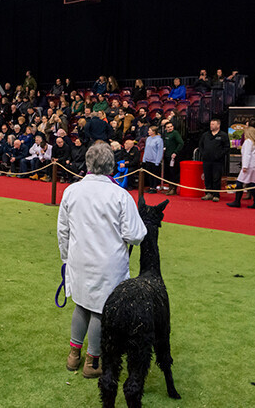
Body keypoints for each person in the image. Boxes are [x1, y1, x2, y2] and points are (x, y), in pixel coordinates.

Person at [57, 142, 147, 378]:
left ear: (88, 163)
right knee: (100, 310)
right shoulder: (120, 195)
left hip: (78, 258)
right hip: (107, 262)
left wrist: (66, 258)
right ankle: (92, 362)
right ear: (111, 166)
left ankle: (73, 355)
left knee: (81, 304)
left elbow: (62, 231)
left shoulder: (71, 191)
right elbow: (135, 235)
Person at [227, 123, 255, 209]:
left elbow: (247, 155)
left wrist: (245, 166)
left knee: (239, 183)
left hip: (248, 166)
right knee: (254, 184)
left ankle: (237, 201)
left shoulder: (248, 142)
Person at [198, 119, 230, 202]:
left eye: (213, 124)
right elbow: (200, 145)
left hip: (218, 161)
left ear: (218, 125)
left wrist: (219, 155)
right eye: (210, 124)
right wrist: (203, 153)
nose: (211, 125)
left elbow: (226, 147)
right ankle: (208, 193)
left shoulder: (223, 135)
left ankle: (216, 194)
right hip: (206, 160)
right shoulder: (205, 135)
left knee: (216, 178)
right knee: (207, 177)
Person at [162, 122, 183, 195]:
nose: (170, 128)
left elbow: (181, 143)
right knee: (168, 173)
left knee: (173, 173)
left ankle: (174, 188)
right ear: (165, 128)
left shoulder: (175, 133)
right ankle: (170, 187)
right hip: (167, 155)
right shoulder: (165, 134)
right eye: (168, 127)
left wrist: (175, 152)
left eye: (171, 126)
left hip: (173, 156)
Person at [142, 126, 163, 193]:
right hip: (148, 159)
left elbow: (160, 151)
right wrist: (144, 159)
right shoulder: (148, 139)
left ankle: (154, 188)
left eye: (149, 130)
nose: (148, 131)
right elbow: (146, 149)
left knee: (154, 175)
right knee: (149, 175)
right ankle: (150, 187)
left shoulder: (159, 140)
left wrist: (157, 161)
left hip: (154, 160)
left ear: (154, 132)